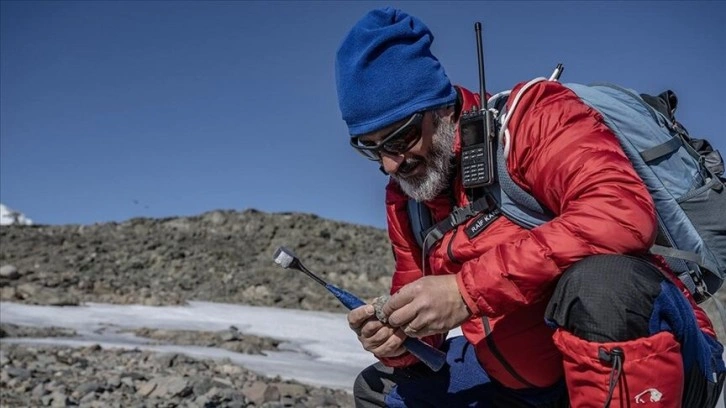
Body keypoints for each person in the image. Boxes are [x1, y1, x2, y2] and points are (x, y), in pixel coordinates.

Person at [334, 7, 725, 408]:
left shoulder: (532, 120)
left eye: (399, 138)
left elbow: (620, 213)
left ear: (439, 107)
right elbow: (422, 314)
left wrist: (466, 292)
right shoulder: (408, 198)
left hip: (660, 356)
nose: (390, 164)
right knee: (385, 391)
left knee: (603, 284)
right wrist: (397, 339)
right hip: (530, 388)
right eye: (372, 148)